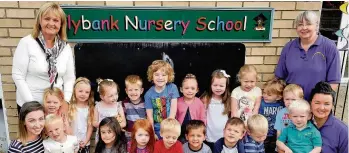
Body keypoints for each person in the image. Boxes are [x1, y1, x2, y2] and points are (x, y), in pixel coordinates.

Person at [12, 2, 75, 113]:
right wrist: (33, 106)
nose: (51, 23)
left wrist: (66, 102)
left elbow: (69, 78)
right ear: (40, 21)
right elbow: (18, 75)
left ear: (61, 24)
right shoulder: (27, 43)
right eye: (47, 19)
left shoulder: (65, 48)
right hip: (30, 106)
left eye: (56, 20)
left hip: (55, 107)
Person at [275, 10, 341, 101]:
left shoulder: (329, 47)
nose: (304, 27)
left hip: (316, 105)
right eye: (300, 24)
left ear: (316, 25)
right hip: (292, 106)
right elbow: (280, 78)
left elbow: (333, 82)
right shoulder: (288, 47)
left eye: (308, 24)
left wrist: (319, 102)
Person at [145, 60, 180, 139]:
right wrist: (152, 133)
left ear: (168, 77)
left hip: (171, 127)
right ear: (152, 76)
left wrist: (169, 128)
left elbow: (173, 109)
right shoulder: (148, 94)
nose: (160, 78)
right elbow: (149, 116)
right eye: (156, 74)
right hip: (156, 128)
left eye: (164, 75)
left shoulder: (172, 88)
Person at [310, 81, 348, 153]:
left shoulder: (343, 131)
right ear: (310, 103)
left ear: (332, 106)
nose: (321, 108)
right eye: (317, 103)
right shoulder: (300, 123)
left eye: (327, 104)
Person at [200, 69, 232, 150]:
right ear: (210, 85)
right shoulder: (206, 99)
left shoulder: (228, 100)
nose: (218, 88)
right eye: (215, 85)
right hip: (209, 135)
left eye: (221, 86)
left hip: (223, 136)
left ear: (226, 86)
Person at [176, 74, 206, 143]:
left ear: (197, 90)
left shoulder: (199, 102)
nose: (189, 91)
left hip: (194, 133)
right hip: (180, 133)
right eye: (186, 88)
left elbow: (203, 118)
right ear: (181, 89)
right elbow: (174, 117)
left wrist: (202, 131)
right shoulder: (177, 101)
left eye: (192, 88)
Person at [68, 77, 95, 153]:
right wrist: (74, 140)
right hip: (71, 142)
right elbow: (68, 125)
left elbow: (90, 126)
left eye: (87, 92)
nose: (83, 94)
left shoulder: (90, 108)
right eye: (80, 91)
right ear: (74, 91)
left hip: (85, 143)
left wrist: (86, 140)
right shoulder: (70, 107)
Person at [258, 79, 285, 152]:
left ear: (278, 97)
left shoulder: (282, 104)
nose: (265, 96)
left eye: (269, 95)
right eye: (264, 92)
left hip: (277, 134)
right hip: (264, 133)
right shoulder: (261, 103)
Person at [122, 75, 146, 140]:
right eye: (130, 90)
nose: (133, 92)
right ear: (126, 91)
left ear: (141, 90)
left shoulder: (145, 103)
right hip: (129, 135)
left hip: (142, 134)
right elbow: (122, 118)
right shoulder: (124, 103)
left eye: (136, 89)